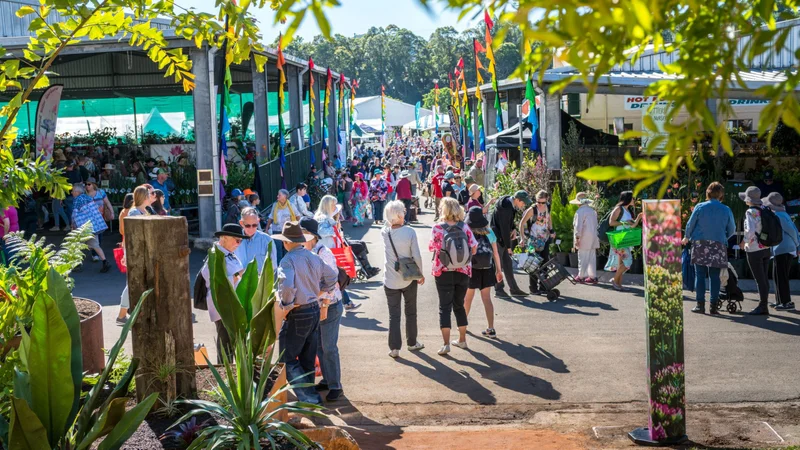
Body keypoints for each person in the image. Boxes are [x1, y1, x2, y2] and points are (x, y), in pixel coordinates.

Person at [275, 221, 338, 405]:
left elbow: (286, 286)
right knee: (307, 358)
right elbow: (332, 276)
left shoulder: (287, 260)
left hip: (299, 311)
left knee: (287, 358)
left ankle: (310, 398)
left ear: (286, 242)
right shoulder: (313, 256)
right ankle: (308, 400)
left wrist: (287, 306)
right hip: (313, 309)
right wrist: (321, 291)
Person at [298, 218, 345, 402]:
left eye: (303, 232)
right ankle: (327, 379)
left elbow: (331, 281)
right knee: (319, 346)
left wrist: (324, 303)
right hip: (315, 306)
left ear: (312, 236)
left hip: (330, 306)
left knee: (328, 346)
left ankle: (335, 386)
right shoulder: (304, 252)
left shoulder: (323, 253)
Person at [429, 197, 478, 356]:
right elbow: (474, 248)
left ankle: (446, 344)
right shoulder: (465, 227)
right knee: (459, 305)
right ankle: (462, 340)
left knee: (445, 307)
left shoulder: (437, 228)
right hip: (463, 271)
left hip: (442, 271)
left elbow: (432, 247)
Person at [682, 182, 736, 314]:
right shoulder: (726, 209)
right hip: (718, 244)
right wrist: (723, 237)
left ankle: (700, 305)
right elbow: (732, 229)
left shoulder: (700, 206)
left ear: (708, 193)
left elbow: (690, 224)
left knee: (699, 275)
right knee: (715, 276)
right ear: (721, 194)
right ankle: (713, 306)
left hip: (700, 243)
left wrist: (687, 236)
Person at [382, 201, 425, 358]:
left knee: (394, 314)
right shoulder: (409, 232)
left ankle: (394, 348)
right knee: (410, 311)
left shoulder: (384, 232)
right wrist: (420, 273)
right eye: (403, 211)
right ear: (399, 215)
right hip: (408, 277)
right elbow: (417, 255)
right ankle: (412, 342)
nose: (405, 212)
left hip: (390, 278)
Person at [200, 224, 249, 362]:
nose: (239, 244)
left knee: (232, 343)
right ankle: (225, 376)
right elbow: (212, 280)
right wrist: (237, 276)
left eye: (241, 241)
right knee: (225, 344)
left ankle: (230, 374)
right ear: (224, 237)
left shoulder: (226, 253)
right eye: (237, 240)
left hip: (231, 306)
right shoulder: (216, 254)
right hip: (223, 307)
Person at [463, 206, 503, 339]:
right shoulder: (489, 232)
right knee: (487, 299)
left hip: (472, 268)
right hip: (487, 268)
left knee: (468, 299)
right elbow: (495, 253)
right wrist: (499, 270)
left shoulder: (467, 231)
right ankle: (491, 328)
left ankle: (462, 325)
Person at [763, 192, 800, 311]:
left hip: (784, 248)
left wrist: (797, 245)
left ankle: (786, 302)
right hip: (782, 249)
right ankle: (780, 300)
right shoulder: (782, 214)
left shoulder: (779, 215)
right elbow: (794, 229)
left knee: (781, 275)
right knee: (777, 274)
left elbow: (792, 231)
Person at [740, 186, 773, 315]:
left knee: (760, 279)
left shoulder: (750, 212)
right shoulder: (765, 209)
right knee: (764, 278)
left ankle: (763, 306)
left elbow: (750, 230)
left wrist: (744, 241)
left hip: (754, 249)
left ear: (749, 200)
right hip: (766, 247)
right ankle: (764, 303)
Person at [490, 192, 529, 297]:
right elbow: (504, 228)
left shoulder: (509, 203)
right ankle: (499, 289)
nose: (524, 205)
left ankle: (514, 289)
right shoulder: (506, 208)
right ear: (517, 199)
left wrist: (513, 229)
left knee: (507, 264)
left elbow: (509, 224)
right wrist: (508, 247)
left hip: (501, 237)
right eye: (523, 203)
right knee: (499, 265)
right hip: (497, 238)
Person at [605, 191, 642, 291]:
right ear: (628, 199)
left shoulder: (627, 211)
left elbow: (632, 225)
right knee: (628, 261)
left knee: (621, 263)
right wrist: (623, 222)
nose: (634, 200)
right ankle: (614, 279)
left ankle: (618, 284)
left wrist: (638, 218)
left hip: (625, 239)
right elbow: (611, 222)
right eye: (633, 198)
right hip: (620, 239)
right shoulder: (618, 208)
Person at [519, 190, 555, 294]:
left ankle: (543, 286)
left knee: (545, 263)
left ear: (547, 200)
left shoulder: (548, 207)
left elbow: (549, 218)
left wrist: (551, 230)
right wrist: (522, 237)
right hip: (533, 240)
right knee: (533, 264)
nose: (540, 205)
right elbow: (521, 223)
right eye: (538, 202)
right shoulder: (532, 209)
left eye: (543, 202)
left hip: (545, 239)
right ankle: (533, 288)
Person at [71, 183, 111, 273]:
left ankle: (77, 264)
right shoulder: (88, 198)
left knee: (77, 244)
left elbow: (75, 214)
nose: (72, 193)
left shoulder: (77, 200)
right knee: (95, 245)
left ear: (77, 192)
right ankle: (105, 261)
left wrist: (73, 226)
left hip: (84, 227)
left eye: (73, 191)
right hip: (94, 226)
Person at [236, 207, 278, 274]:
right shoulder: (234, 240)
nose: (251, 228)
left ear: (258, 221)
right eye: (248, 225)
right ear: (241, 223)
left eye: (254, 225)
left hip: (260, 283)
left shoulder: (267, 240)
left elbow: (273, 268)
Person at [571, 192, 600, 284]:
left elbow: (578, 227)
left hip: (584, 237)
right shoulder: (592, 211)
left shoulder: (579, 212)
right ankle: (593, 276)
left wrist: (577, 238)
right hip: (593, 237)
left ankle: (581, 276)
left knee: (582, 257)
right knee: (591, 257)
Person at [116, 193, 136, 325]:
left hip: (125, 242)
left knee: (131, 281)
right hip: (129, 245)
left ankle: (126, 312)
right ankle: (122, 314)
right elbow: (125, 231)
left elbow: (121, 231)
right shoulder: (131, 213)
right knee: (132, 281)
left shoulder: (123, 212)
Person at [266, 189, 298, 261]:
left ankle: (287, 264)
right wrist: (267, 228)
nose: (277, 196)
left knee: (287, 249)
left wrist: (295, 226)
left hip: (288, 231)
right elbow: (271, 217)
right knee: (278, 250)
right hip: (276, 230)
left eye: (279, 195)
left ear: (285, 196)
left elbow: (297, 216)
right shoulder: (275, 205)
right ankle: (279, 267)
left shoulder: (291, 206)